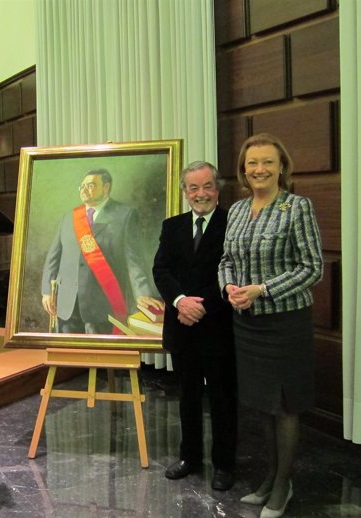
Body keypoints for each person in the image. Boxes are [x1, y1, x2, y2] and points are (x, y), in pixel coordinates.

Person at [218, 133, 323, 518]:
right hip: (248, 325)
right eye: (252, 163)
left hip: (285, 323)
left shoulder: (297, 208)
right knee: (263, 403)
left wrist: (262, 289)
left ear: (282, 167)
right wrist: (227, 285)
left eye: (267, 162)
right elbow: (226, 259)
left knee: (285, 405)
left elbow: (313, 267)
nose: (259, 169)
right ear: (243, 171)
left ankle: (283, 485)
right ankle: (271, 475)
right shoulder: (238, 210)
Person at [152, 161, 237, 491]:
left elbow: (234, 271)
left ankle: (224, 465)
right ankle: (189, 457)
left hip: (218, 323)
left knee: (222, 397)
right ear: (184, 192)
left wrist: (199, 305)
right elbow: (161, 270)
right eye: (193, 187)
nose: (200, 193)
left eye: (206, 186)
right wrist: (179, 302)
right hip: (182, 324)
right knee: (187, 395)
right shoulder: (171, 226)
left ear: (217, 189)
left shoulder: (233, 223)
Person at [41, 168, 162, 334]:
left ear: (106, 187)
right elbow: (53, 257)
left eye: (90, 185)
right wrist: (47, 291)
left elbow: (133, 259)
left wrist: (142, 293)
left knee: (99, 356)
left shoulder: (125, 215)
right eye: (81, 186)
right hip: (67, 303)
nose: (84, 190)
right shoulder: (68, 217)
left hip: (103, 303)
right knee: (67, 355)